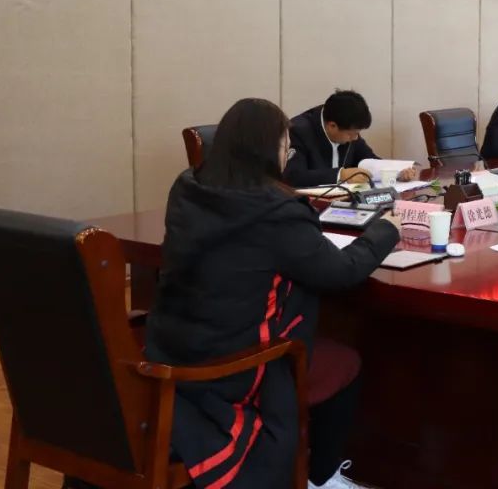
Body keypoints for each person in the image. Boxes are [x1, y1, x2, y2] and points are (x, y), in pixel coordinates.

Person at [145, 98, 401, 489]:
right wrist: (386, 230)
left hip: (171, 350)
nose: (288, 156)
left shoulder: (187, 187)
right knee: (344, 361)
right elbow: (340, 272)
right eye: (287, 148)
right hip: (236, 369)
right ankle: (320, 477)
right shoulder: (276, 211)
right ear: (270, 150)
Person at [284, 90, 416, 188]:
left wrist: (397, 172)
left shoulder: (348, 128)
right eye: (352, 134)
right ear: (332, 126)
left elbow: (369, 160)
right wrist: (341, 175)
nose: (355, 138)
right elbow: (294, 176)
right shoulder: (298, 131)